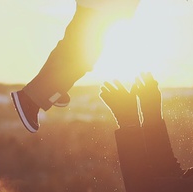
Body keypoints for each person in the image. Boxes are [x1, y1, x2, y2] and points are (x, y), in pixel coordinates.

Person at [11, 0, 140, 133]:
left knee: (78, 52)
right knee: (79, 56)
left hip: (105, 8)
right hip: (102, 7)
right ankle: (32, 98)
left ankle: (53, 89)